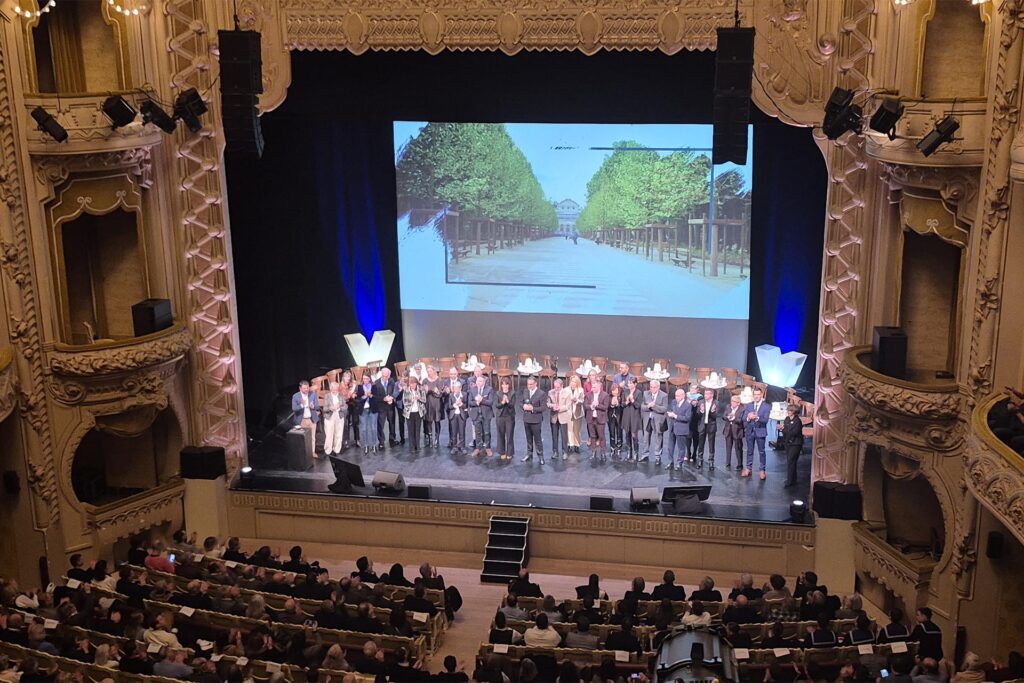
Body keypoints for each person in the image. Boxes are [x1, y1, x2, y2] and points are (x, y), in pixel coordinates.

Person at [742, 388, 771, 479]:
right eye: (755, 394)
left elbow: (765, 420)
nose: (756, 396)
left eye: (758, 394)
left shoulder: (766, 406)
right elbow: (743, 418)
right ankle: (748, 468)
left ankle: (762, 470)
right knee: (749, 451)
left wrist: (756, 417)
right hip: (750, 431)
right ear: (753, 395)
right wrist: (748, 417)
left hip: (760, 431)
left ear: (761, 395)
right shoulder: (749, 405)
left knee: (761, 451)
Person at [521, 376, 547, 464]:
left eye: (531, 384)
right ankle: (529, 454)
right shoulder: (525, 391)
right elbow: (521, 402)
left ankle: (541, 456)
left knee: (538, 439)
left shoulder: (541, 393)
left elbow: (543, 407)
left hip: (536, 420)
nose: (529, 386)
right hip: (526, 419)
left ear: (536, 383)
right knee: (528, 438)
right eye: (528, 384)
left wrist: (533, 408)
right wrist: (523, 406)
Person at [291, 380, 320, 459]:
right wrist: (301, 405)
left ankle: (312, 452)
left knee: (312, 437)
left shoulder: (312, 394)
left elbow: (317, 406)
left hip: (311, 419)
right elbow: (294, 408)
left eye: (307, 388)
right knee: (303, 437)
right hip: (302, 420)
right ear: (300, 388)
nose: (306, 390)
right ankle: (304, 454)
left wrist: (313, 406)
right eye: (304, 388)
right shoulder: (296, 396)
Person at [641, 379, 668, 462]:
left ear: (658, 387)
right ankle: (645, 454)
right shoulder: (646, 393)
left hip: (658, 420)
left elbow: (664, 409)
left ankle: (657, 456)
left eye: (654, 387)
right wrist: (648, 406)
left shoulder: (664, 395)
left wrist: (654, 406)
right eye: (651, 387)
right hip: (648, 419)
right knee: (646, 437)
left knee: (658, 437)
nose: (652, 389)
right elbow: (642, 406)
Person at [665, 388, 692, 469]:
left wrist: (675, 416)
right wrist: (670, 414)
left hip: (681, 429)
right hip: (672, 427)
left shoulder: (687, 405)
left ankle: (679, 463)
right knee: (670, 446)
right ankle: (670, 462)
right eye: (676, 396)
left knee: (681, 448)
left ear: (683, 396)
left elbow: (687, 418)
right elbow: (670, 410)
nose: (676, 397)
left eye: (678, 396)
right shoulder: (673, 402)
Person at [584, 376, 610, 460]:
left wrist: (597, 405)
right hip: (591, 419)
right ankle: (593, 452)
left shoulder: (605, 395)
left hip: (600, 419)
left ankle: (603, 453)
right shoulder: (588, 395)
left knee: (601, 436)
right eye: (592, 386)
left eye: (594, 387)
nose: (592, 388)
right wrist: (591, 406)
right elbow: (585, 405)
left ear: (599, 387)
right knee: (592, 436)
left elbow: (605, 407)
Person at [468, 374, 494, 457]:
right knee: (477, 432)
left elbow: (490, 402)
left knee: (486, 432)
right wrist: (476, 402)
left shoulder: (489, 389)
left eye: (480, 381)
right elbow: (470, 402)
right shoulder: (472, 390)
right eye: (477, 381)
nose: (478, 383)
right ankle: (478, 448)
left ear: (484, 382)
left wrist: (482, 400)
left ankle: (488, 447)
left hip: (486, 414)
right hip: (476, 414)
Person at [373, 367, 399, 448]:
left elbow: (394, 391)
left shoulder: (391, 381)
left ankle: (392, 440)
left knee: (392, 423)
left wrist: (391, 397)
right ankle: (381, 442)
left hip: (390, 406)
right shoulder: (376, 383)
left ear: (389, 375)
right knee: (380, 425)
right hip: (381, 407)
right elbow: (375, 397)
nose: (385, 378)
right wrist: (383, 399)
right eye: (383, 376)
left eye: (386, 376)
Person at [547, 378, 571, 461]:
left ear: (562, 386)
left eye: (557, 387)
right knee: (554, 436)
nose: (556, 389)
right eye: (555, 387)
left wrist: (559, 408)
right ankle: (555, 452)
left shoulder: (567, 393)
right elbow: (548, 403)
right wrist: (552, 406)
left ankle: (565, 452)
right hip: (554, 417)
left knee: (564, 436)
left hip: (563, 416)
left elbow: (568, 406)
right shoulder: (550, 392)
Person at [781, 404, 804, 487]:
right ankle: (793, 479)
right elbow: (785, 431)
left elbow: (795, 433)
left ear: (794, 412)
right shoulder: (787, 419)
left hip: (796, 444)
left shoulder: (798, 421)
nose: (788, 412)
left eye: (790, 411)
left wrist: (783, 429)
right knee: (791, 462)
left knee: (791, 461)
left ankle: (790, 481)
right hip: (788, 443)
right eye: (788, 410)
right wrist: (782, 429)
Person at [322, 380, 347, 457]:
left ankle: (336, 449)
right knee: (329, 434)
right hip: (330, 416)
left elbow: (345, 406)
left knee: (338, 434)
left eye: (337, 389)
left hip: (339, 416)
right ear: (331, 389)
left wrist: (339, 407)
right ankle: (328, 451)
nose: (335, 391)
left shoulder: (341, 395)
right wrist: (333, 408)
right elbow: (325, 409)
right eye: (334, 389)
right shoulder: (327, 396)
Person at [696, 388, 719, 469]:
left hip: (711, 426)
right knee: (701, 443)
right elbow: (697, 415)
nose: (705, 396)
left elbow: (716, 416)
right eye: (705, 394)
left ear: (711, 395)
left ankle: (711, 461)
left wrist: (712, 411)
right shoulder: (701, 402)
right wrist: (701, 411)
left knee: (711, 444)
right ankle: (700, 460)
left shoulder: (716, 403)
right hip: (702, 425)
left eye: (707, 394)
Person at [402, 375, 426, 453]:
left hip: (418, 413)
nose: (411, 385)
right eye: (410, 384)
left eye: (413, 383)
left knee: (417, 430)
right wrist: (411, 400)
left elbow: (424, 400)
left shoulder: (421, 389)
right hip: (409, 413)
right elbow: (404, 402)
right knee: (410, 430)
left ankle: (417, 446)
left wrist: (419, 398)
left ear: (416, 383)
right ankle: (412, 447)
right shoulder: (406, 390)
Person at [422, 365, 445, 448]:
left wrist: (430, 390)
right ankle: (430, 437)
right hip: (428, 403)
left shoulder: (439, 380)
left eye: (430, 371)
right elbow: (423, 393)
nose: (429, 373)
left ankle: (437, 438)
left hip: (437, 404)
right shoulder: (425, 380)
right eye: (427, 372)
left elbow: (439, 394)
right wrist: (431, 390)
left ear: (434, 371)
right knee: (428, 421)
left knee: (437, 421)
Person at [494, 376, 516, 461]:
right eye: (503, 384)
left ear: (509, 385)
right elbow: (496, 405)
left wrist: (508, 401)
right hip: (500, 417)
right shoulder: (498, 393)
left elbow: (512, 405)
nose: (505, 386)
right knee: (500, 434)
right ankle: (502, 452)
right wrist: (502, 402)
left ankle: (509, 452)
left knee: (509, 435)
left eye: (506, 384)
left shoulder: (512, 393)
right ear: (501, 385)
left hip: (509, 417)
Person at [621, 377, 642, 462]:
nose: (629, 385)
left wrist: (632, 400)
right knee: (627, 434)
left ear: (635, 384)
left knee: (634, 435)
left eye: (631, 383)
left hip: (634, 416)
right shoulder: (625, 392)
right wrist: (626, 402)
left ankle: (636, 453)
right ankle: (629, 452)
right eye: (628, 383)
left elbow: (638, 405)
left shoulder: (639, 393)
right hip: (626, 415)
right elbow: (622, 404)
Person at [722, 393, 745, 471]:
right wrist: (728, 417)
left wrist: (733, 418)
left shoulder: (742, 409)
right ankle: (728, 462)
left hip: (737, 430)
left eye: (734, 401)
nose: (732, 403)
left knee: (738, 447)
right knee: (728, 447)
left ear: (738, 403)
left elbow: (741, 420)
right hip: (728, 429)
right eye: (732, 401)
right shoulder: (728, 407)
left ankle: (739, 464)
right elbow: (723, 416)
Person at [355, 372, 375, 453]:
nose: (365, 380)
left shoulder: (374, 386)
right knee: (364, 429)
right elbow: (357, 399)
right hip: (363, 410)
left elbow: (377, 398)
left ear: (369, 379)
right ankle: (366, 446)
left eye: (366, 378)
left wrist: (371, 396)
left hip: (372, 409)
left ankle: (374, 445)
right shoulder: (359, 387)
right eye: (363, 379)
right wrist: (364, 396)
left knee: (373, 428)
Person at [446, 380, 467, 454]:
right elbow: (449, 406)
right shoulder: (451, 395)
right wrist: (454, 405)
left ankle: (462, 446)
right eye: (455, 388)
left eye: (458, 388)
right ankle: (454, 447)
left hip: (461, 415)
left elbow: (466, 405)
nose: (456, 389)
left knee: (462, 432)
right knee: (454, 432)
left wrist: (461, 404)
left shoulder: (464, 394)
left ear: (460, 388)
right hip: (453, 415)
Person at [566, 374, 585, 455]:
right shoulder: (566, 390)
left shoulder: (580, 390)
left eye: (574, 382)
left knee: (576, 430)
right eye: (571, 381)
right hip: (568, 412)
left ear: (577, 383)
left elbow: (582, 401)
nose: (572, 383)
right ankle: (570, 445)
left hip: (577, 413)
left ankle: (577, 445)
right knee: (569, 429)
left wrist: (576, 400)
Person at [607, 383, 624, 458]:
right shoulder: (608, 397)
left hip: (619, 417)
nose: (615, 392)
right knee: (612, 432)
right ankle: (612, 448)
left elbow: (623, 407)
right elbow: (607, 406)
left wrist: (617, 405)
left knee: (619, 433)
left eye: (616, 390)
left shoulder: (621, 397)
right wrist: (611, 405)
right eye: (613, 390)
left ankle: (619, 448)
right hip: (611, 418)